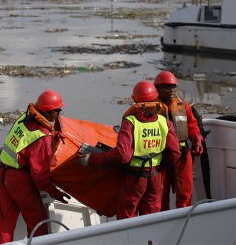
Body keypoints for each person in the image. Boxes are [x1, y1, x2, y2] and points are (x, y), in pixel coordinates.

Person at [79, 80, 180, 219]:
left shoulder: (131, 122)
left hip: (134, 179)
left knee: (127, 219)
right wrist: (160, 168)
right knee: (152, 220)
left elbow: (122, 155)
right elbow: (175, 152)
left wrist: (91, 159)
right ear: (155, 98)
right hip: (155, 177)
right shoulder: (164, 122)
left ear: (134, 99)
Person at [0, 89, 71, 244]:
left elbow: (26, 141)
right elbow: (40, 178)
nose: (59, 113)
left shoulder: (24, 118)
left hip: (2, 172)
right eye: (58, 110)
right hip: (19, 181)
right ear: (50, 113)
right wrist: (54, 193)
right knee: (38, 223)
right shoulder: (41, 139)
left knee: (6, 223)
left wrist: (53, 137)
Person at [154, 70, 204, 210]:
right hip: (160, 156)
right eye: (166, 87)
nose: (171, 90)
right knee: (161, 194)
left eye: (173, 87)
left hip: (182, 155)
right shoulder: (150, 107)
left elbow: (192, 126)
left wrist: (197, 139)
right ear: (157, 88)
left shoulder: (183, 106)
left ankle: (183, 221)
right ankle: (162, 221)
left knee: (185, 193)